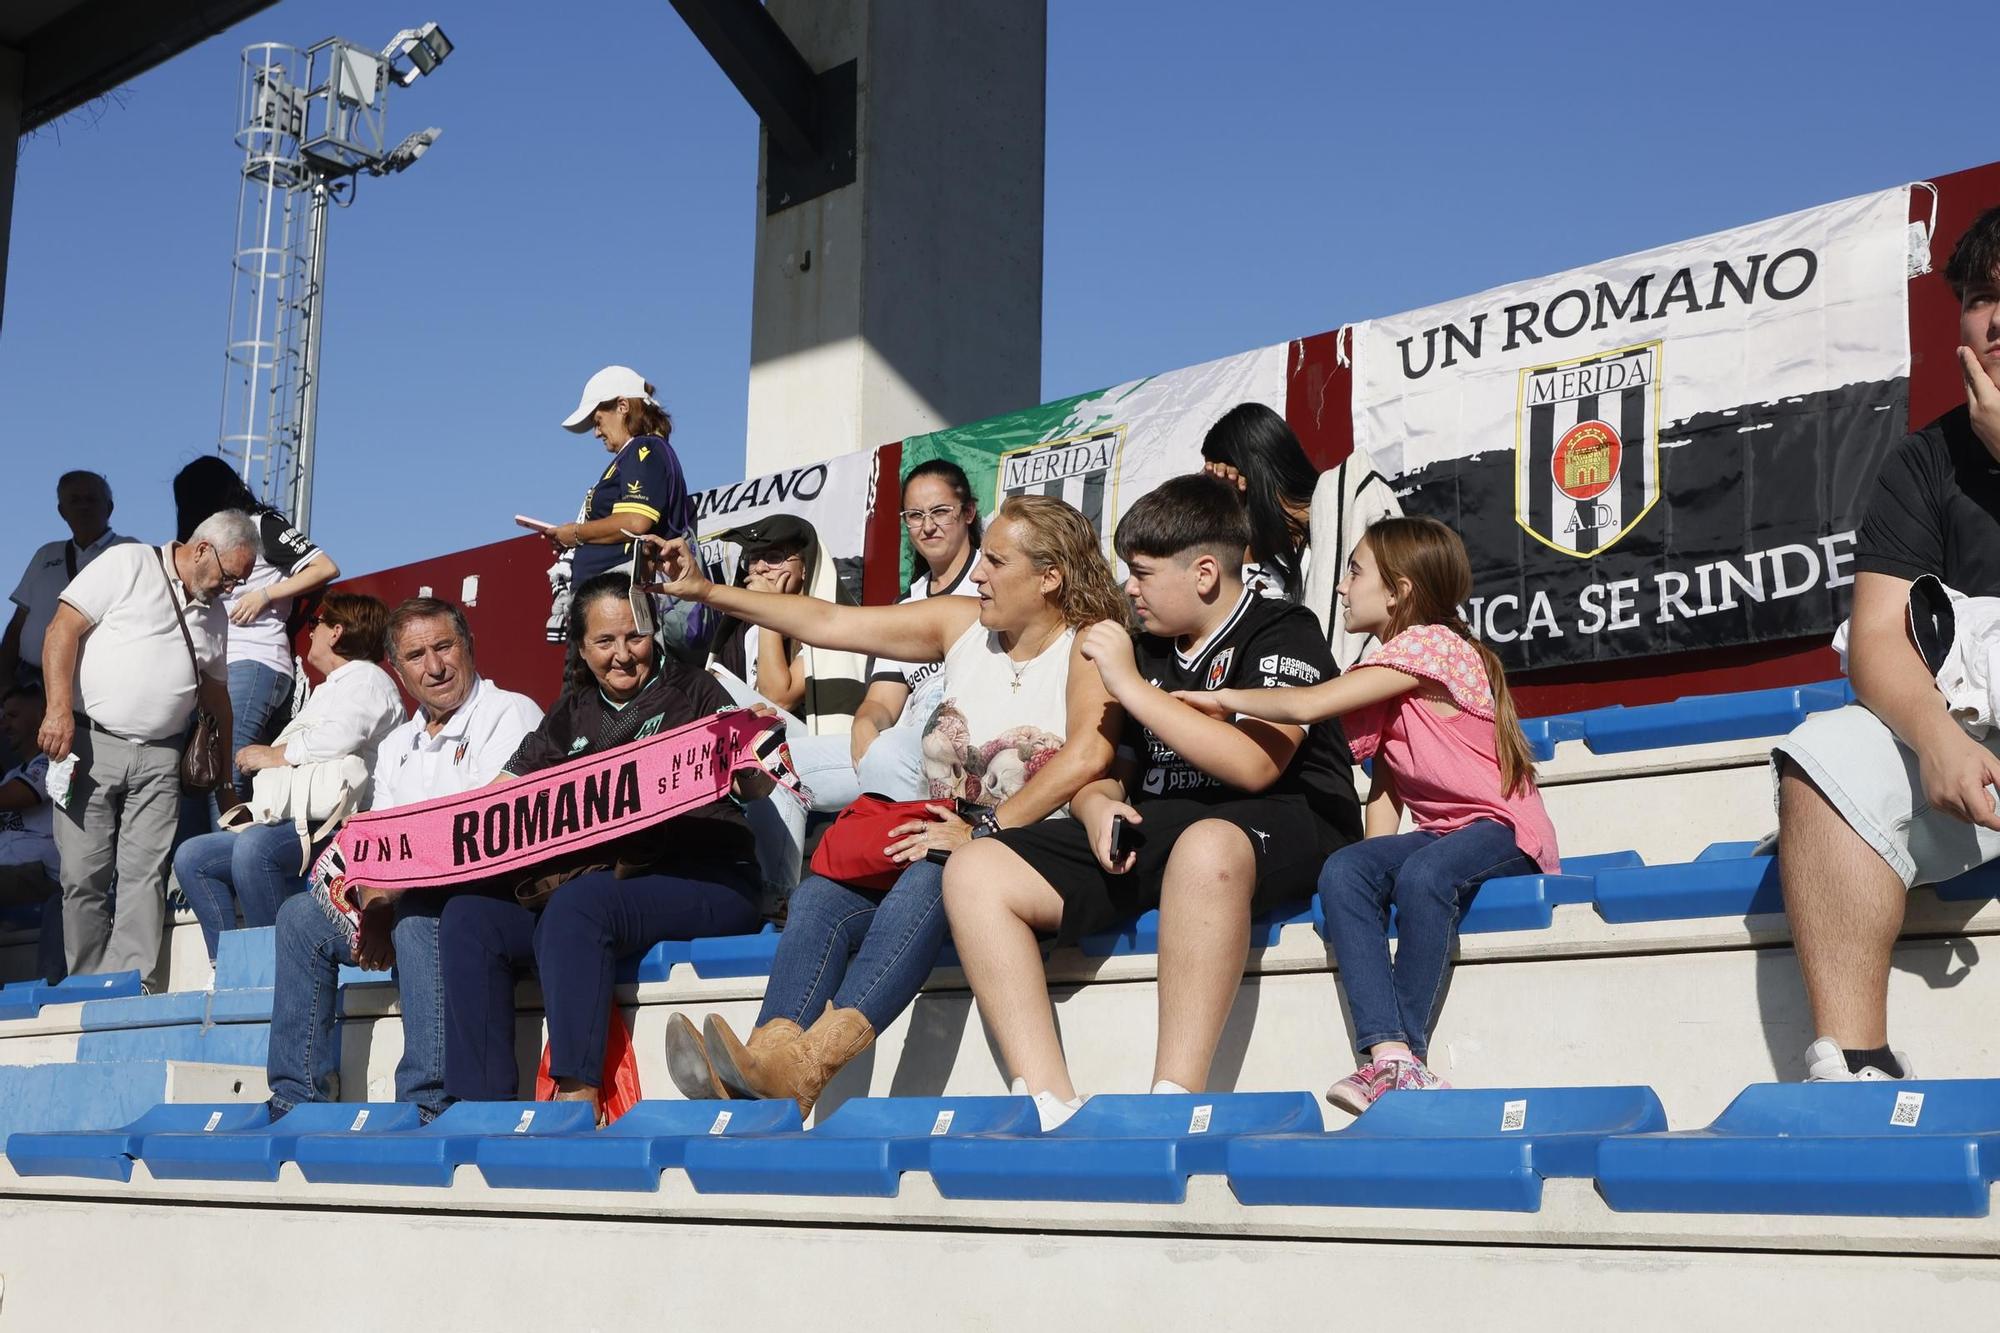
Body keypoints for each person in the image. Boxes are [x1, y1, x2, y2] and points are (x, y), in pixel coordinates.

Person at [652, 496, 1127, 1116]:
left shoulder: (1089, 644)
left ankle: (805, 1071)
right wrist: (707, 592)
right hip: (947, 837)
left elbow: (1089, 754)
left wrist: (984, 829)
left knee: (938, 868)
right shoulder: (963, 627)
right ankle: (766, 1061)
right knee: (823, 892)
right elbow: (826, 621)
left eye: (996, 561)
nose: (978, 574)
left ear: (1049, 577)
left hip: (1036, 853)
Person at [941, 474, 1363, 1127]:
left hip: (1288, 824)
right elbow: (1112, 771)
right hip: (1166, 829)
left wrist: (1133, 687)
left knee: (1207, 843)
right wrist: (1098, 806)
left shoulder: (1283, 629)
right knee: (975, 868)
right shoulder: (1145, 650)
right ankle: (1048, 1102)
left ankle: (1175, 1098)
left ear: (1203, 573)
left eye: (1141, 573)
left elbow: (1254, 764)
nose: (1127, 588)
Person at [1180, 515, 1558, 1110]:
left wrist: (1223, 699)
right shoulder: (1385, 670)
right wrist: (1366, 870)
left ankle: (1409, 1050)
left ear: (1399, 590)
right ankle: (1388, 1058)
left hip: (1504, 834)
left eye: (1354, 572)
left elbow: (1307, 702)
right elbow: (1388, 786)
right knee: (1347, 870)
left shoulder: (1433, 644)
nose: (1340, 586)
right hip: (1442, 836)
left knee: (1424, 876)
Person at [1772, 206, 2000, 1083]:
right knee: (1825, 752)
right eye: (1982, 298)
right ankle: (1857, 1066)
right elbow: (1875, 637)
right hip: (1974, 748)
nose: (1998, 319)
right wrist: (1938, 736)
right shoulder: (1924, 461)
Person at [437, 573, 767, 1120]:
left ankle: (576, 1099)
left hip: (709, 878)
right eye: (604, 642)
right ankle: (480, 1108)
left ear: (655, 633)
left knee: (579, 905)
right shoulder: (570, 713)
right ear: (582, 648)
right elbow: (498, 798)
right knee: (469, 919)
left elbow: (753, 780)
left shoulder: (697, 691)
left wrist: (756, 762)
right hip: (605, 890)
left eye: (634, 636)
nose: (622, 655)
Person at [264, 598, 542, 1122]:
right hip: (413, 900)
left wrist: (393, 903)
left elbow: (485, 834)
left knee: (418, 920)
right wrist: (373, 905)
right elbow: (380, 845)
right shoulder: (397, 745)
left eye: (444, 647)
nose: (434, 667)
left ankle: (427, 1101)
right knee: (300, 919)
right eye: (416, 655)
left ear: (469, 646)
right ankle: (294, 1099)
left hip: (490, 904)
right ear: (398, 667)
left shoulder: (512, 713)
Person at [39, 510, 253, 983]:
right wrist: (56, 710)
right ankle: (88, 985)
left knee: (144, 875)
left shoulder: (214, 614)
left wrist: (225, 787)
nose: (230, 590)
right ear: (201, 549)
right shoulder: (128, 563)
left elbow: (218, 701)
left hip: (163, 755)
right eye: (229, 577)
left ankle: (131, 985)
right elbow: (60, 630)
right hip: (90, 742)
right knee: (83, 875)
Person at [170, 593, 403, 961]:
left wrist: (273, 755)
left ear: (336, 632)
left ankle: (276, 966)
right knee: (192, 856)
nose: (310, 634)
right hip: (298, 822)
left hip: (341, 828)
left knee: (254, 848)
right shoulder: (333, 686)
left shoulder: (369, 680)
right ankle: (230, 964)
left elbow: (341, 737)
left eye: (316, 625)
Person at [702, 513, 866, 901]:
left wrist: (770, 609)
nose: (759, 567)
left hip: (836, 754)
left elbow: (778, 695)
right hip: (777, 748)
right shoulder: (742, 631)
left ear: (805, 565)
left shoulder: (832, 615)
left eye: (774, 556)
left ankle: (774, 896)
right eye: (753, 558)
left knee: (767, 754)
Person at [172, 458, 341, 798]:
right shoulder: (203, 542)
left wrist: (265, 594)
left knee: (225, 772)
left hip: (254, 660)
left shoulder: (263, 525)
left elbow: (325, 567)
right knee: (192, 780)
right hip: (210, 671)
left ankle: (228, 849)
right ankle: (196, 852)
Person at [1200, 402, 1402, 669]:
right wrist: (1226, 513)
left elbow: (1408, 582)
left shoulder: (1346, 495)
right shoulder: (1274, 560)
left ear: (1251, 477)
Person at [845, 459, 986, 798]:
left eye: (939, 512)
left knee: (889, 755)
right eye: (915, 516)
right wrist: (864, 723)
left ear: (968, 512)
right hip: (900, 744)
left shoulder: (993, 581)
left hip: (967, 743)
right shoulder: (906, 606)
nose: (927, 527)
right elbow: (882, 702)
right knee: (779, 766)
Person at [549, 365, 693, 589]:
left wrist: (576, 534)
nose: (596, 433)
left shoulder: (644, 447)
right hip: (609, 592)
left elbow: (635, 521)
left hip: (622, 593)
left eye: (598, 422)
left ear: (623, 406)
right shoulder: (638, 452)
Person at [1, 471, 134, 690]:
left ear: (109, 508)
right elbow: (17, 623)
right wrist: (5, 682)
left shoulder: (130, 551)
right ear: (62, 511)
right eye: (75, 500)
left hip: (96, 685)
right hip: (30, 685)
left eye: (91, 499)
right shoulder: (46, 554)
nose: (83, 507)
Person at [0, 684, 64, 982]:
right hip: (12, 877)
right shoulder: (11, 774)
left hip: (42, 875)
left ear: (39, 715)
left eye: (13, 715)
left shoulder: (52, 761)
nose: (4, 724)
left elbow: (21, 796)